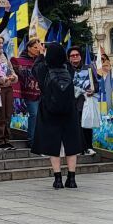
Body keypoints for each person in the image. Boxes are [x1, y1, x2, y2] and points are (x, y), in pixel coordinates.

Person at [32, 43, 82, 188]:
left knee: (53, 144)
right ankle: (72, 179)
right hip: (69, 110)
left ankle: (58, 179)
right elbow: (65, 62)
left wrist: (41, 54)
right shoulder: (69, 69)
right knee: (71, 143)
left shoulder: (43, 70)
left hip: (49, 110)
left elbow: (35, 68)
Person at [68, 45, 97, 157]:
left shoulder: (88, 68)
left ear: (80, 57)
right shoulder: (67, 70)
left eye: (77, 55)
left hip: (86, 100)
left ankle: (89, 147)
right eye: (72, 56)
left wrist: (93, 90)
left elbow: (96, 84)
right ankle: (78, 148)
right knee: (75, 125)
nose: (75, 57)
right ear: (69, 58)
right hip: (72, 102)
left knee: (87, 125)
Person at [14, 39, 43, 144]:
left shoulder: (41, 60)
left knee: (41, 116)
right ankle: (32, 140)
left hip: (41, 92)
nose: (37, 50)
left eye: (39, 47)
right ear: (29, 48)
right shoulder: (21, 60)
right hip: (28, 93)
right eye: (35, 47)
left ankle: (40, 138)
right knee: (34, 114)